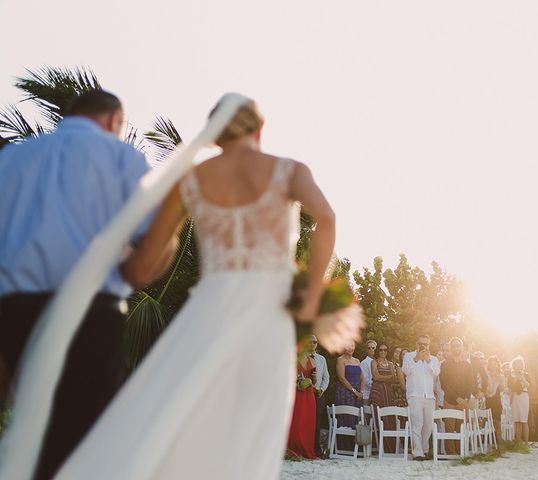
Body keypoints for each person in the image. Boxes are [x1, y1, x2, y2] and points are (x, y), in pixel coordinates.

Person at [54, 95, 350, 479]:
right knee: (255, 428)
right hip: (269, 315)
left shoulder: (190, 180)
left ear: (213, 134)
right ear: (260, 129)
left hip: (209, 311)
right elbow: (327, 218)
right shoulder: (290, 170)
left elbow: (144, 266)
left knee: (191, 420)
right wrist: (311, 298)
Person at [0, 90, 162, 480]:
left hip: (15, 308)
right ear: (113, 120)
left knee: (31, 420)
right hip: (89, 312)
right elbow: (147, 248)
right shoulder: (121, 157)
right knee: (82, 434)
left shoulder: (13, 158)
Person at [402, 335, 440, 461]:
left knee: (428, 426)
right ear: (416, 343)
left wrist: (428, 360)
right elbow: (406, 371)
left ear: (429, 345)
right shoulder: (408, 356)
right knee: (416, 424)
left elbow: (436, 372)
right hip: (414, 395)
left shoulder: (433, 359)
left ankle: (424, 450)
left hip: (429, 396)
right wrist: (416, 359)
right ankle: (417, 452)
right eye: (421, 343)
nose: (423, 346)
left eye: (426, 344)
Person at [438, 337, 474, 454]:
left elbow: (470, 384)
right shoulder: (444, 365)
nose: (456, 348)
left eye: (458, 345)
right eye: (453, 346)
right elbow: (444, 385)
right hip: (449, 401)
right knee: (450, 429)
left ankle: (461, 453)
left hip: (464, 402)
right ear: (450, 347)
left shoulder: (467, 365)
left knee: (461, 428)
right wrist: (457, 399)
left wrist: (465, 399)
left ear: (462, 347)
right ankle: (451, 455)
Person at [370, 343, 402, 453]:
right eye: (381, 350)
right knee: (378, 419)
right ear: (377, 351)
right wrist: (388, 377)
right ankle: (378, 448)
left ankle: (390, 449)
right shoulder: (374, 362)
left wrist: (382, 378)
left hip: (388, 393)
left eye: (385, 350)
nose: (383, 352)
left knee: (390, 418)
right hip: (377, 393)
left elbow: (394, 379)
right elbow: (375, 376)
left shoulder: (390, 363)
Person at [334, 342, 365, 451]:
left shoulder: (357, 361)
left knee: (357, 418)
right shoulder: (340, 360)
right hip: (345, 393)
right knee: (346, 417)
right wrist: (354, 392)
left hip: (358, 394)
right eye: (347, 345)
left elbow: (362, 378)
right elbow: (342, 378)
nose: (350, 348)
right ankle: (344, 448)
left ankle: (357, 449)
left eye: (352, 345)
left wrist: (361, 391)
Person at [287, 350, 317, 459]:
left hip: (309, 395)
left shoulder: (312, 360)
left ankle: (306, 449)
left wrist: (314, 378)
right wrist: (297, 383)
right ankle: (292, 449)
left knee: (307, 422)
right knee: (296, 421)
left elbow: (314, 381)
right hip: (297, 393)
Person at [309, 335, 330, 457]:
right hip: (305, 394)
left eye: (315, 342)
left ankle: (316, 448)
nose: (312, 344)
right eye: (310, 342)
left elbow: (326, 377)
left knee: (317, 422)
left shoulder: (321, 359)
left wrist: (321, 389)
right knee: (306, 420)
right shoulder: (301, 358)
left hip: (318, 394)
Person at [509, 356, 530, 443]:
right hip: (515, 397)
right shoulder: (511, 375)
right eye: (517, 364)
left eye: (520, 364)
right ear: (514, 365)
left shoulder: (526, 374)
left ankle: (526, 443)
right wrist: (516, 378)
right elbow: (511, 387)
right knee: (517, 421)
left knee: (524, 421)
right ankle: (518, 442)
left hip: (524, 397)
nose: (519, 366)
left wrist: (523, 378)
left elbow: (528, 385)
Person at [485, 355, 505, 443]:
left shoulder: (500, 376)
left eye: (495, 363)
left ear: (497, 365)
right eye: (491, 363)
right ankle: (486, 441)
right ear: (489, 365)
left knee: (497, 421)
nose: (493, 365)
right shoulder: (486, 374)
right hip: (487, 399)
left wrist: (499, 380)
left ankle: (499, 443)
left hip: (496, 400)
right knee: (486, 420)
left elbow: (502, 389)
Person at [360, 340, 377, 405]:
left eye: (373, 348)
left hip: (377, 394)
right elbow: (365, 380)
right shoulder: (364, 363)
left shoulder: (378, 361)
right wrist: (377, 387)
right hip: (367, 395)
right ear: (366, 350)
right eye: (369, 348)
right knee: (368, 414)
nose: (371, 349)